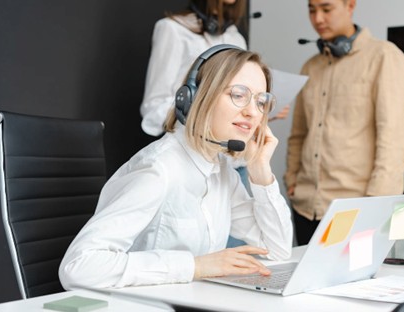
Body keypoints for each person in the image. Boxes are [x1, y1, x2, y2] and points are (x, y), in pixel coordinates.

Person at [59, 45, 293, 289]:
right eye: (238, 95)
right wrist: (196, 266)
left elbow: (277, 249)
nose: (252, 112)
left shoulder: (221, 171)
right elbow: (78, 267)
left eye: (261, 101)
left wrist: (260, 170)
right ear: (195, 97)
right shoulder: (158, 169)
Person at [284, 0, 404, 245]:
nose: (318, 19)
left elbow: (395, 139)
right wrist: (291, 180)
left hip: (355, 210)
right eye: (311, 10)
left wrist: (376, 206)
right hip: (305, 207)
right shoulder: (310, 67)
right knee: (306, 283)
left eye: (326, 9)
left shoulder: (385, 57)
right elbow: (299, 133)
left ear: (350, 6)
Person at [140, 0, 248, 137]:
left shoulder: (236, 38)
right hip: (184, 141)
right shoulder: (172, 28)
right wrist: (198, 106)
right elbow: (153, 107)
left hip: (224, 146)